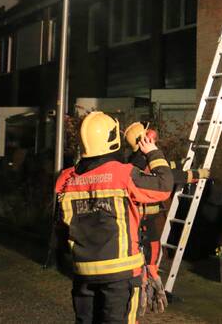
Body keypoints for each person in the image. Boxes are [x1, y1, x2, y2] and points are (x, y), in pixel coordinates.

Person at [54, 112, 174, 324]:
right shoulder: (122, 174)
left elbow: (60, 228)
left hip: (83, 274)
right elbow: (164, 186)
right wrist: (153, 152)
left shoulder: (66, 178)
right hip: (121, 276)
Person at [122, 121, 208, 316]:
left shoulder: (132, 161)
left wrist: (179, 163)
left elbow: (167, 167)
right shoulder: (142, 163)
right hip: (145, 223)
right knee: (150, 260)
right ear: (144, 140)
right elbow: (170, 177)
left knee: (145, 260)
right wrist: (196, 174)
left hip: (138, 222)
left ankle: (143, 291)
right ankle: (146, 293)